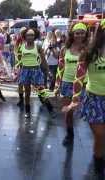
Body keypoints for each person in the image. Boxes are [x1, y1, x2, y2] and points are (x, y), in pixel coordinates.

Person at [64, 20, 105, 178]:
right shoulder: (89, 53)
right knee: (100, 134)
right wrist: (75, 100)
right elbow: (79, 77)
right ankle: (98, 163)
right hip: (94, 99)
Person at [55, 23, 88, 146]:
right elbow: (60, 68)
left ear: (85, 34)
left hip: (83, 85)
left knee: (87, 112)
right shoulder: (65, 49)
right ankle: (69, 134)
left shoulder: (89, 50)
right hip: (67, 83)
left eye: (82, 32)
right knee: (68, 112)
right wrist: (57, 85)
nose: (79, 35)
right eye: (77, 32)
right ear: (72, 34)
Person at [17, 28, 55, 118]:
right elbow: (19, 59)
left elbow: (43, 60)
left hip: (36, 70)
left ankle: (50, 109)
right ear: (25, 36)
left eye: (32, 35)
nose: (30, 37)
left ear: (35, 36)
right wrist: (19, 68)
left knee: (41, 91)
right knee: (27, 92)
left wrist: (48, 71)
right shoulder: (21, 46)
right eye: (28, 35)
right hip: (25, 71)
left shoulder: (38, 46)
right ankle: (27, 111)